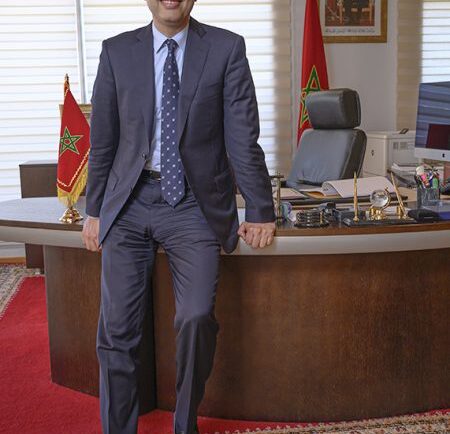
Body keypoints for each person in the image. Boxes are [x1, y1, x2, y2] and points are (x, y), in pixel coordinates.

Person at [81, 0, 276, 433]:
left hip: (192, 204)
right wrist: (94, 209)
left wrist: (261, 207)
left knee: (196, 317)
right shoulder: (116, 52)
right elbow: (104, 140)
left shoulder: (226, 49)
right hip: (130, 202)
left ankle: (185, 424)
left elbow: (243, 138)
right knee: (116, 330)